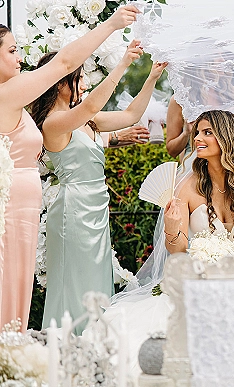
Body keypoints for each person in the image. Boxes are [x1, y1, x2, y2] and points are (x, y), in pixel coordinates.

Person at [102, 109, 234, 380]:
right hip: (194, 283)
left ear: (227, 138)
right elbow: (176, 251)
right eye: (198, 132)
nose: (197, 138)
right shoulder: (185, 186)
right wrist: (173, 226)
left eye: (207, 132)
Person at [0, 5, 138, 331]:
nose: (19, 58)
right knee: (8, 288)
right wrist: (111, 25)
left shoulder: (13, 98)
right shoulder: (6, 95)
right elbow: (63, 63)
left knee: (14, 289)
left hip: (21, 209)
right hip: (10, 210)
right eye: (12, 50)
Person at [29, 43, 167, 335]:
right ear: (58, 83)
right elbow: (92, 105)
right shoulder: (53, 124)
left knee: (96, 282)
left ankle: (96, 345)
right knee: (74, 282)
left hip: (96, 207)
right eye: (76, 78)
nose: (82, 83)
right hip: (73, 211)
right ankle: (68, 345)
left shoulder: (88, 121)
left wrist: (151, 78)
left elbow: (130, 115)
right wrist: (123, 64)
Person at [166, 41, 234, 159]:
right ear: (205, 60)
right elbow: (172, 150)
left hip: (229, 161)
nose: (224, 60)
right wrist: (186, 133)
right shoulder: (180, 99)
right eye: (219, 56)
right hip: (196, 163)